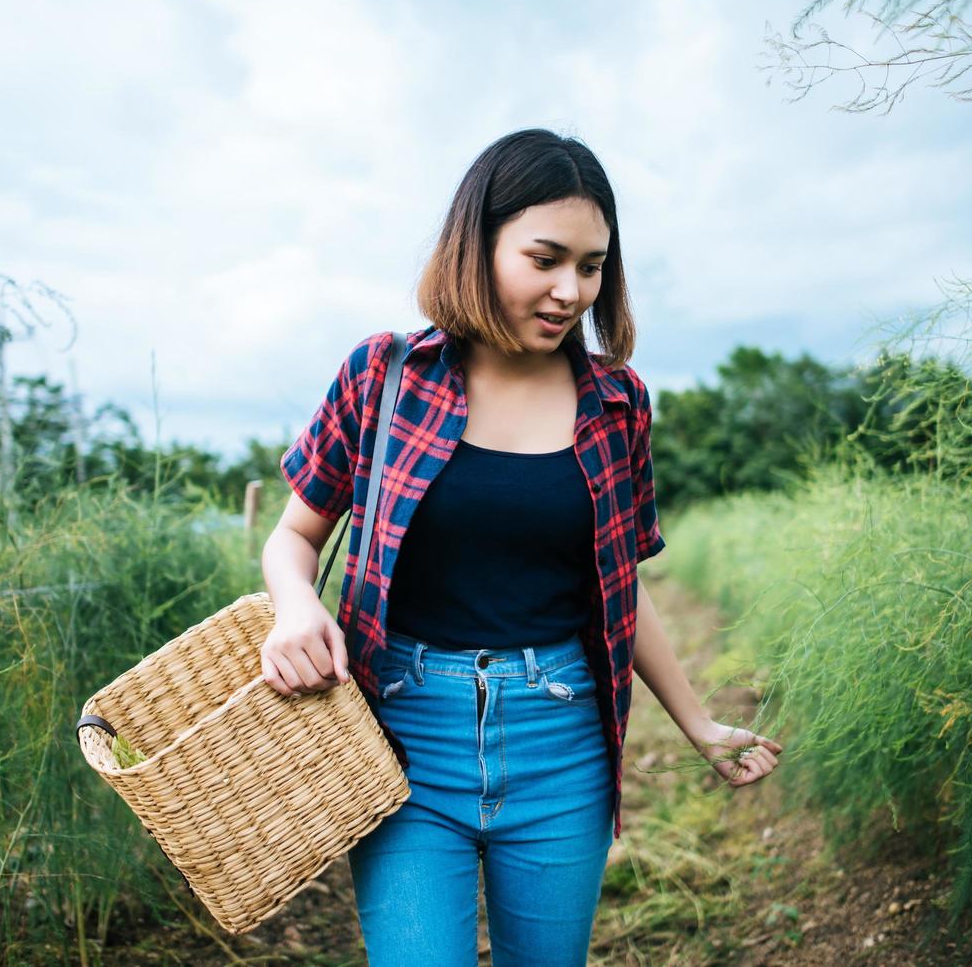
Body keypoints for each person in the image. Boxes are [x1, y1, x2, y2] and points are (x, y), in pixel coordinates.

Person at [260, 128, 784, 966]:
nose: (570, 289)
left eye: (591, 265)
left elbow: (619, 587)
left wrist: (697, 724)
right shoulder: (384, 375)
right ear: (478, 243)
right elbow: (293, 535)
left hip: (559, 740)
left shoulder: (617, 402)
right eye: (544, 259)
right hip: (402, 742)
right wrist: (294, 606)